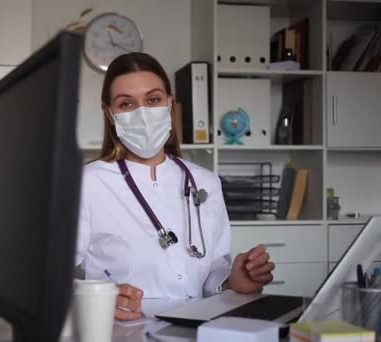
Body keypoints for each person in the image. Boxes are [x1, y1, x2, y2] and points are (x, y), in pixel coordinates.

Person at [75, 53, 275, 321]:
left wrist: (231, 282)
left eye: (153, 99)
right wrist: (99, 298)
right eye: (126, 104)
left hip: (196, 327)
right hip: (124, 331)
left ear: (170, 102)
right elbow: (51, 276)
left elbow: (212, 272)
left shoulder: (206, 182)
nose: (143, 114)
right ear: (109, 114)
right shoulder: (87, 184)